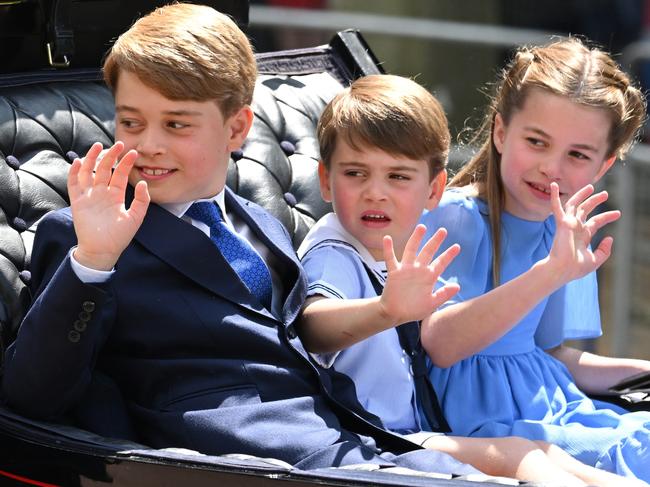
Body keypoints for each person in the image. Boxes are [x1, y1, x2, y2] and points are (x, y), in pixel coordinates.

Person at [0, 2, 500, 477]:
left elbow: (301, 342)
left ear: (237, 128)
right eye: (131, 122)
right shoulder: (81, 235)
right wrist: (93, 260)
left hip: (351, 436)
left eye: (176, 124)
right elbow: (32, 398)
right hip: (238, 462)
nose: (148, 143)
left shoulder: (262, 223)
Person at [297, 73, 637, 486]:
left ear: (431, 189)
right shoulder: (339, 248)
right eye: (355, 174)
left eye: (398, 177)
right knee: (524, 454)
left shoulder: (396, 246)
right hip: (384, 435)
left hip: (423, 426)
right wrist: (385, 309)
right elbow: (312, 326)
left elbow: (547, 352)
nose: (376, 193)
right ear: (325, 181)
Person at [418, 36, 650, 482]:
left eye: (578, 155)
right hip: (492, 427)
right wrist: (550, 272)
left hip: (558, 409)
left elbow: (550, 355)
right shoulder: (457, 217)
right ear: (502, 132)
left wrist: (642, 372)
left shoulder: (563, 228)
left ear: (602, 166)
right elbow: (441, 346)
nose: (552, 167)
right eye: (537, 142)